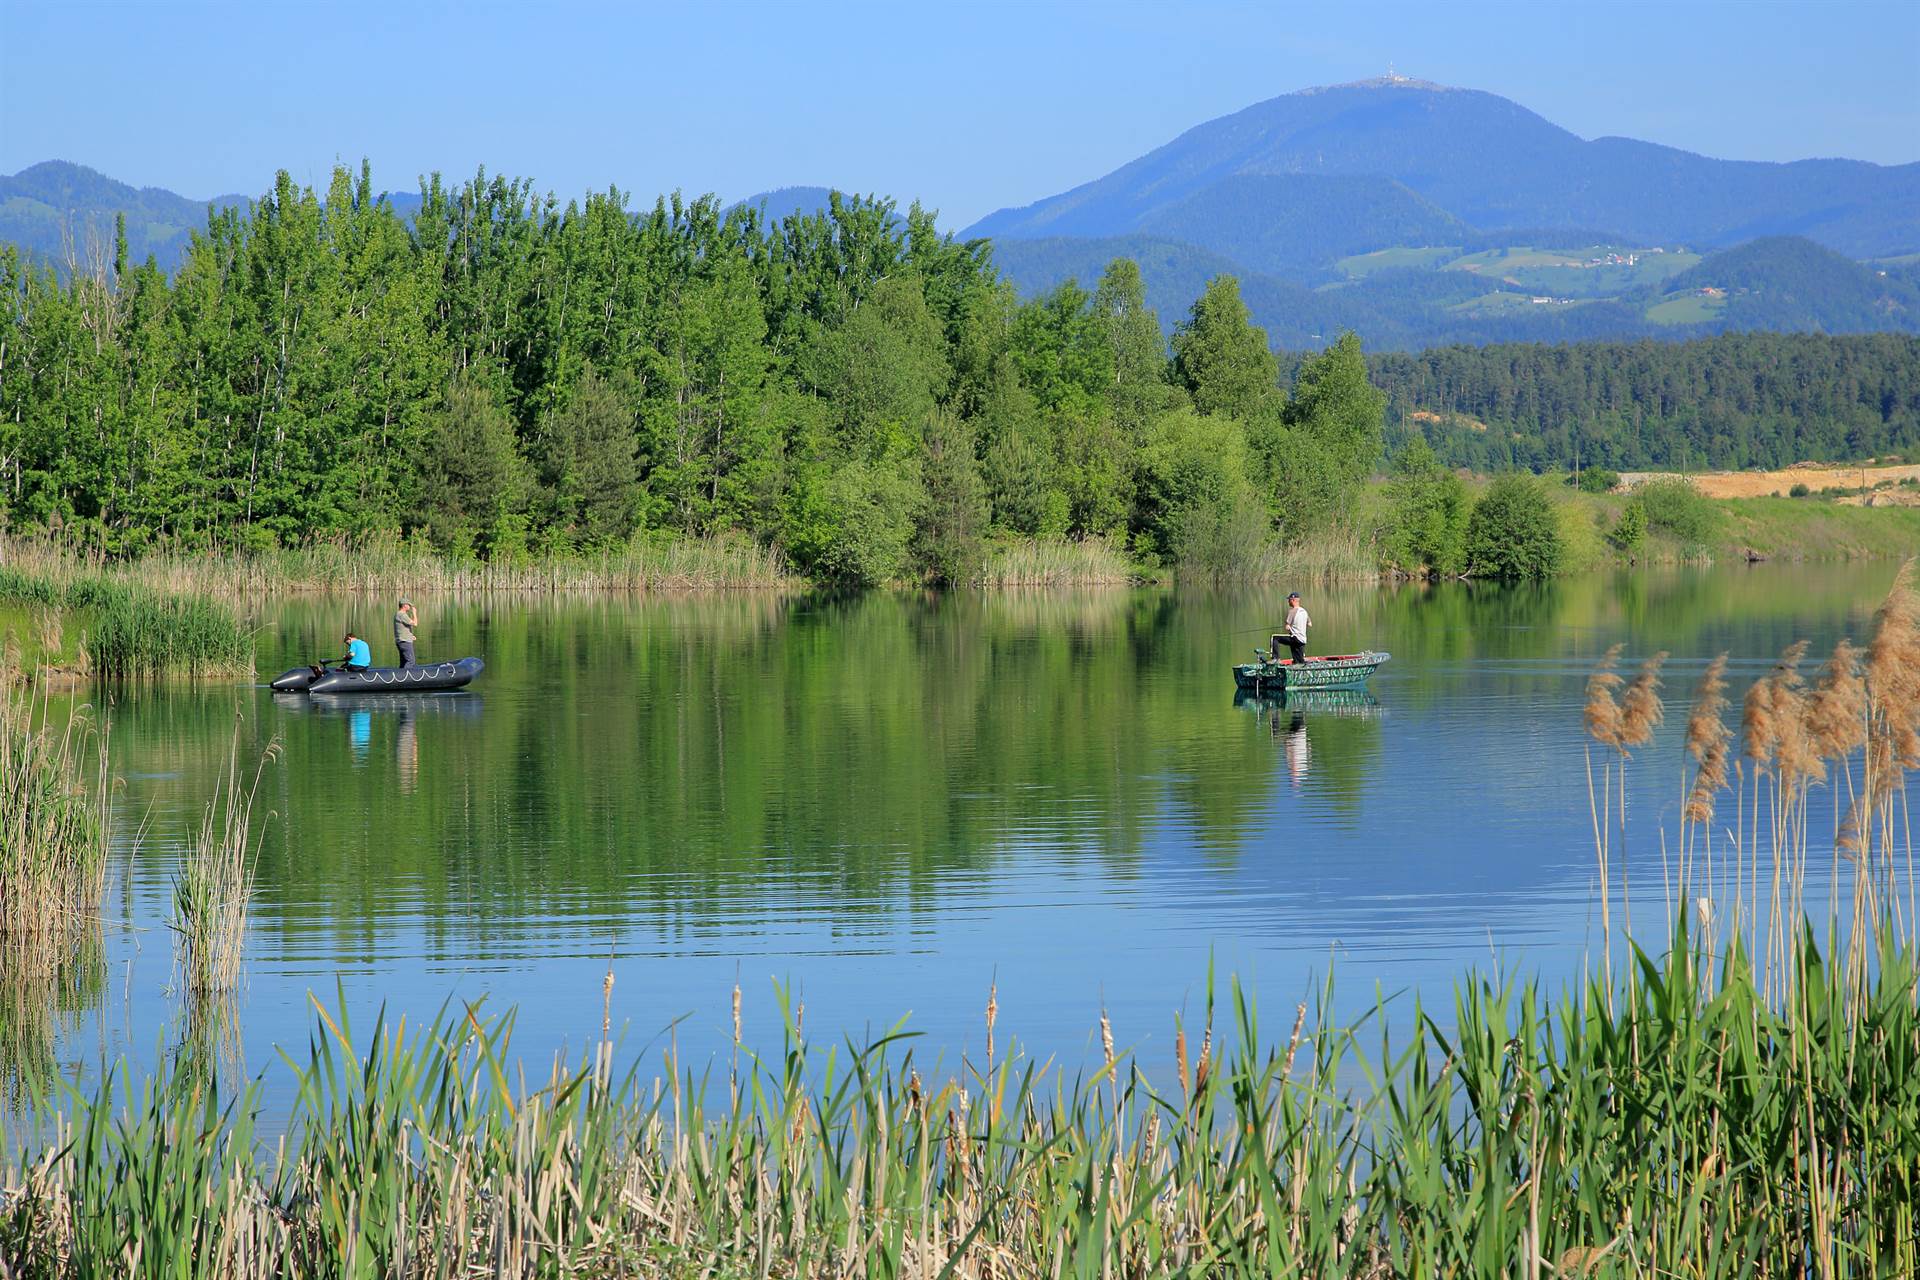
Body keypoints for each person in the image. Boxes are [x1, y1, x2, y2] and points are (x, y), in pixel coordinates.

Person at [1273, 591, 1310, 664]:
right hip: (1302, 640)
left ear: (1293, 600)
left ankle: (1275, 658)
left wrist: (1289, 626)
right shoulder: (1304, 611)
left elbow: (1287, 627)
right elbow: (1309, 624)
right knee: (1299, 661)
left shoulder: (1292, 611)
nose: (1288, 602)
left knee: (1274, 638)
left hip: (1295, 638)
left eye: (1289, 600)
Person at [394, 596, 419, 668]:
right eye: (409, 605)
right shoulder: (402, 614)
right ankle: (405, 677)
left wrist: (410, 636)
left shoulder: (399, 614)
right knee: (411, 661)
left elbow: (402, 628)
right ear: (404, 605)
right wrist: (414, 613)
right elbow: (415, 623)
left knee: (404, 661)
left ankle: (400, 676)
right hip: (405, 642)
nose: (410, 607)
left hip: (402, 641)